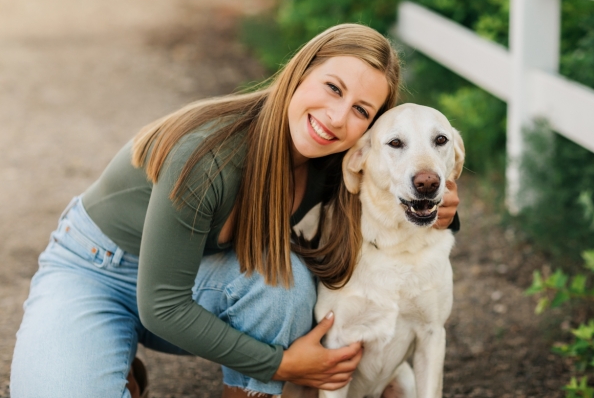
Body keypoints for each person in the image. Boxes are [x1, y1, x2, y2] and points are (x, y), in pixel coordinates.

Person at [10, 24, 460, 398]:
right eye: (332, 88)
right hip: (96, 269)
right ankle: (102, 357)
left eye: (360, 109)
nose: (338, 117)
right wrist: (281, 364)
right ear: (299, 73)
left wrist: (443, 210)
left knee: (283, 285)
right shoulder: (207, 158)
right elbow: (161, 306)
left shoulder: (334, 160)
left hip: (196, 277)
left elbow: (397, 186)